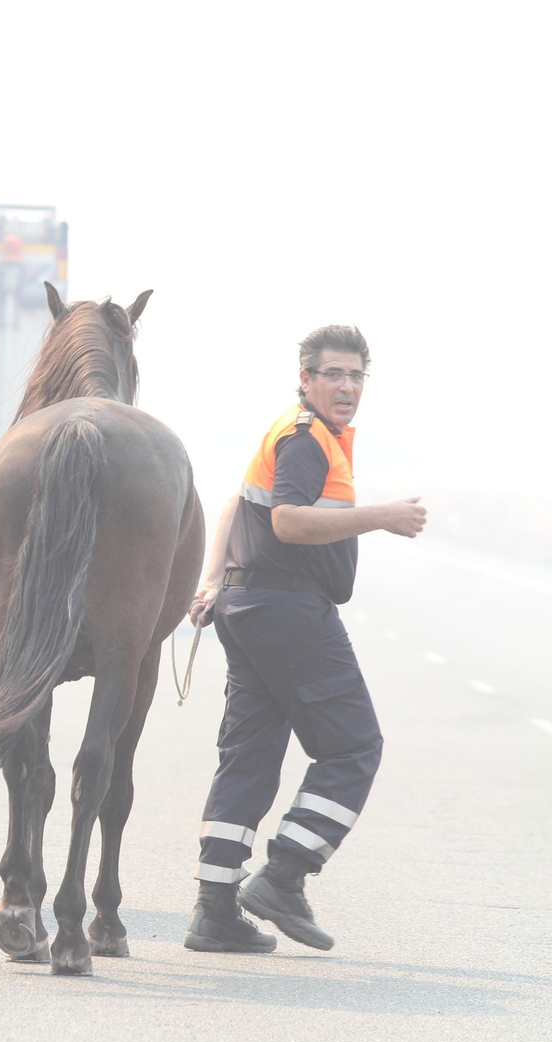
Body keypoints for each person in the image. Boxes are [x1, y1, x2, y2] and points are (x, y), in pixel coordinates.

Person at [184, 325, 426, 953]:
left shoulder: (301, 432)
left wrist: (213, 581)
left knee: (251, 756)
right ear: (305, 377)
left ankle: (214, 909)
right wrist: (382, 518)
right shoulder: (306, 438)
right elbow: (286, 523)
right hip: (287, 610)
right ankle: (284, 876)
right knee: (353, 748)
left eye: (356, 376)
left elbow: (238, 507)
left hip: (249, 607)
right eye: (334, 375)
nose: (346, 387)